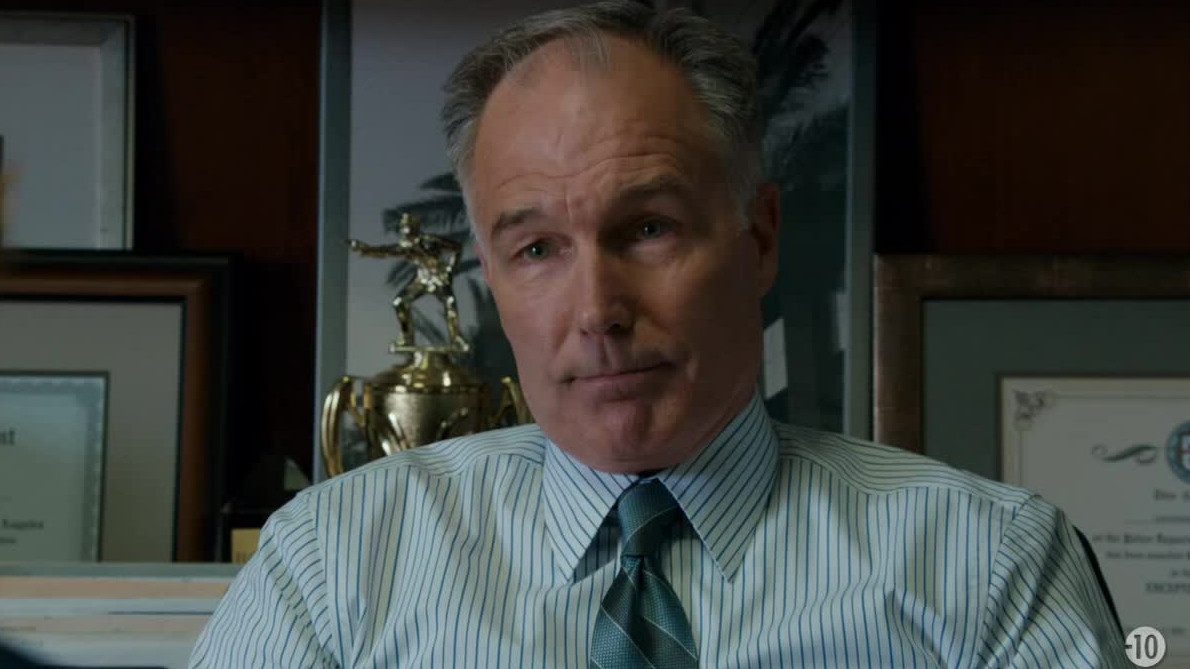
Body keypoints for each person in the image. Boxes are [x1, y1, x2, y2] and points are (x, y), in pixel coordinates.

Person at [190, 2, 1126, 666]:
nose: (597, 308)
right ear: (492, 274)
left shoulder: (988, 563)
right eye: (537, 248)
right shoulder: (334, 562)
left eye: (648, 228)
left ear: (760, 239)